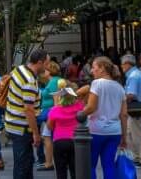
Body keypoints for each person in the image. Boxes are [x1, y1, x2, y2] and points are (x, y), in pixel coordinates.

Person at [79, 56, 127, 179]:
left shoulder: (97, 84)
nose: (91, 71)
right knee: (109, 164)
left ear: (102, 68)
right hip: (115, 131)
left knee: (91, 165)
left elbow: (91, 107)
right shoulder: (120, 87)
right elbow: (124, 115)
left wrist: (80, 113)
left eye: (94, 67)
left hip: (96, 130)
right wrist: (124, 137)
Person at [5, 49, 48, 179]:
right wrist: (36, 134)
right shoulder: (29, 81)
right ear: (39, 63)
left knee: (25, 162)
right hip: (22, 127)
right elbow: (28, 109)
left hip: (12, 122)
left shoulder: (19, 69)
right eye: (47, 63)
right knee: (23, 165)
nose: (48, 66)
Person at [46, 83, 84, 179]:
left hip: (59, 141)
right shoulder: (79, 107)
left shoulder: (55, 110)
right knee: (75, 170)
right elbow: (87, 89)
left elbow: (49, 126)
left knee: (61, 171)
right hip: (74, 141)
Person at [122, 54, 141, 167]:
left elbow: (131, 94)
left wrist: (121, 99)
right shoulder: (137, 74)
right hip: (139, 107)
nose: (122, 67)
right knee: (131, 133)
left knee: (137, 135)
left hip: (137, 108)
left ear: (127, 64)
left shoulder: (133, 76)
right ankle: (136, 157)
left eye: (123, 64)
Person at [37, 61, 62, 171]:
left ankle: (49, 162)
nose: (43, 72)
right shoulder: (56, 81)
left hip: (51, 113)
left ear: (49, 71)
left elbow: (56, 100)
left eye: (45, 70)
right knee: (49, 137)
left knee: (47, 137)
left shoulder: (52, 82)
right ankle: (50, 162)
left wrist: (54, 115)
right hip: (51, 112)